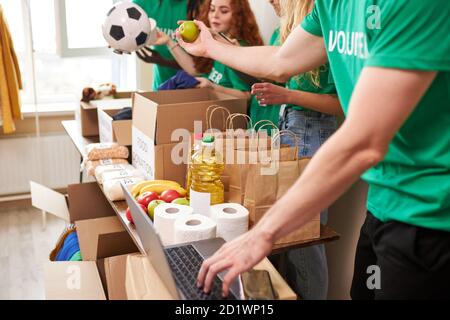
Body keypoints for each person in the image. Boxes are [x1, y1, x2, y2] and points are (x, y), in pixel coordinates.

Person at [177, 0, 450, 299]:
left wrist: (263, 233)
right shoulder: (331, 5)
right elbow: (280, 62)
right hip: (382, 203)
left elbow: (363, 142)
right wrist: (210, 46)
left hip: (431, 214)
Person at [252, 0, 342, 300]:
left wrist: (287, 94)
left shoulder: (323, 32)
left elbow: (340, 105)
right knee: (292, 237)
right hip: (289, 130)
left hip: (313, 134)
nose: (271, 2)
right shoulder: (286, 33)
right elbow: (271, 65)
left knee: (306, 240)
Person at [155, 0, 263, 99]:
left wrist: (212, 87)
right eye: (212, 9)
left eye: (224, 11)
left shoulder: (238, 50)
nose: (215, 15)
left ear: (238, 16)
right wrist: (169, 41)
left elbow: (248, 96)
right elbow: (196, 71)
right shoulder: (214, 44)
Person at [132, 0, 203, 90]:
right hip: (160, 87)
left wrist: (164, 62)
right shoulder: (148, 3)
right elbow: (125, 16)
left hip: (190, 92)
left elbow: (198, 69)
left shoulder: (198, 7)